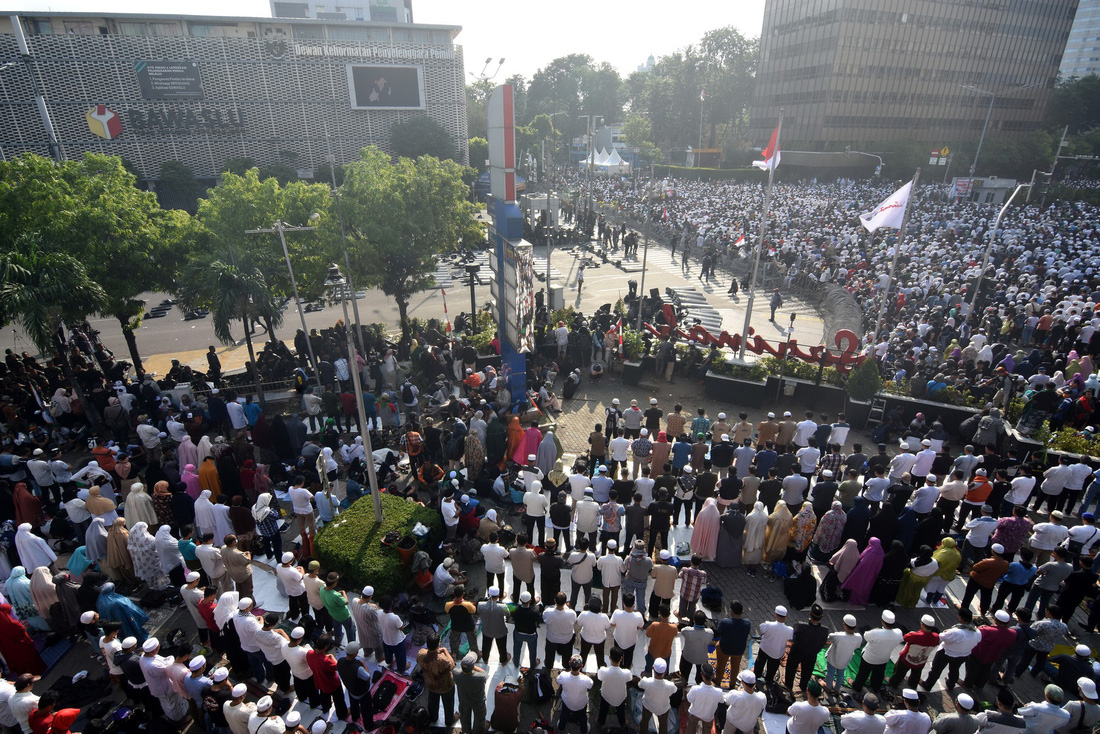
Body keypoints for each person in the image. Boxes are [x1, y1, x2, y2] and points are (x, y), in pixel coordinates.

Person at [920, 609, 982, 692]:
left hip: (946, 653)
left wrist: (946, 632)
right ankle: (950, 684)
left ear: (960, 618)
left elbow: (940, 637)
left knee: (936, 670)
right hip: (963, 655)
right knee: (954, 670)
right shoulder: (977, 632)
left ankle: (927, 685)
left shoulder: (956, 632)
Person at [851, 610, 902, 694]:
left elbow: (866, 636)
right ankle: (875, 688)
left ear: (882, 621)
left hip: (869, 658)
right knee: (878, 675)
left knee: (863, 674)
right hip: (884, 659)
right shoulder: (898, 633)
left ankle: (857, 687)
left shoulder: (876, 632)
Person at [785, 603, 829, 693]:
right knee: (806, 673)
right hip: (811, 655)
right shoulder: (825, 630)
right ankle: (803, 687)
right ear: (821, 617)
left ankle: (788, 686)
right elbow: (822, 644)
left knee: (790, 669)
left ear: (810, 614)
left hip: (797, 652)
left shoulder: (800, 626)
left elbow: (793, 637)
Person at [417, 633, 455, 729]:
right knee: (448, 704)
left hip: (431, 685)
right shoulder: (443, 660)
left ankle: (433, 718)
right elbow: (452, 664)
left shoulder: (421, 654)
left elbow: (427, 655)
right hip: (445, 686)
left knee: (432, 702)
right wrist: (445, 651)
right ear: (438, 644)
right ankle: (449, 721)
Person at [823, 614, 862, 695]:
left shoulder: (838, 636)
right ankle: (837, 689)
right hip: (845, 660)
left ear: (845, 625)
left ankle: (828, 687)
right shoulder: (859, 637)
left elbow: (829, 638)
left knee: (830, 673)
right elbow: (857, 646)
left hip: (833, 659)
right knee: (841, 675)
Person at [596, 646, 632, 732]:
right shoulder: (626, 673)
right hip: (620, 697)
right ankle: (623, 724)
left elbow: (600, 678)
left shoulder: (603, 670)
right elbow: (629, 679)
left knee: (603, 710)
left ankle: (600, 723)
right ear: (621, 659)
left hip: (606, 696)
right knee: (621, 712)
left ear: (609, 657)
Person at [754, 605, 793, 684]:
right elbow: (790, 638)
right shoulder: (790, 630)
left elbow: (761, 629)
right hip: (777, 653)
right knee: (772, 668)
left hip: (764, 649)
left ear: (775, 614)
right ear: (786, 617)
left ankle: (756, 675)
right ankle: (769, 680)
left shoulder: (768, 625)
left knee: (760, 663)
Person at [638, 658, 676, 734]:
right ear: (665, 672)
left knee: (645, 722)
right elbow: (674, 690)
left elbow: (640, 684)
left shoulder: (646, 682)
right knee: (663, 725)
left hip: (648, 705)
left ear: (653, 668)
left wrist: (644, 676)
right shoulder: (670, 685)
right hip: (663, 709)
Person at [722, 670, 767, 734]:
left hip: (733, 721)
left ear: (742, 682)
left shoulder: (735, 695)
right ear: (755, 683)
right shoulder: (762, 697)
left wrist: (739, 691)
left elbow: (727, 701)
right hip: (748, 725)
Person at [557, 655, 593, 734]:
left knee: (563, 715)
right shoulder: (586, 679)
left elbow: (558, 680)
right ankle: (584, 731)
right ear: (581, 666)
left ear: (569, 663)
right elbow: (591, 685)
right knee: (583, 717)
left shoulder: (563, 675)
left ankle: (561, 727)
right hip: (581, 705)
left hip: (567, 703)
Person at [454, 652, 488, 734]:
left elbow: (456, 668)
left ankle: (466, 731)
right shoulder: (479, 677)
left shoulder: (456, 673)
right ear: (472, 667)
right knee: (479, 720)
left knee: (464, 719)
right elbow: (484, 673)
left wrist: (468, 666)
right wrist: (473, 667)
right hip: (478, 702)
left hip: (464, 701)